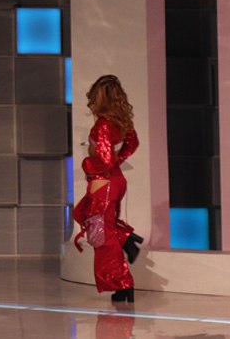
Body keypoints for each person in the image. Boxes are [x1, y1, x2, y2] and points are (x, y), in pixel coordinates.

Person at [72, 75, 143, 303]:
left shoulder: (103, 125)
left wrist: (87, 163)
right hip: (115, 181)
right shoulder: (122, 123)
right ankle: (126, 241)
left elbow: (103, 160)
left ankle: (123, 283)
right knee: (103, 230)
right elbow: (132, 144)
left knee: (100, 237)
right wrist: (117, 160)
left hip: (104, 183)